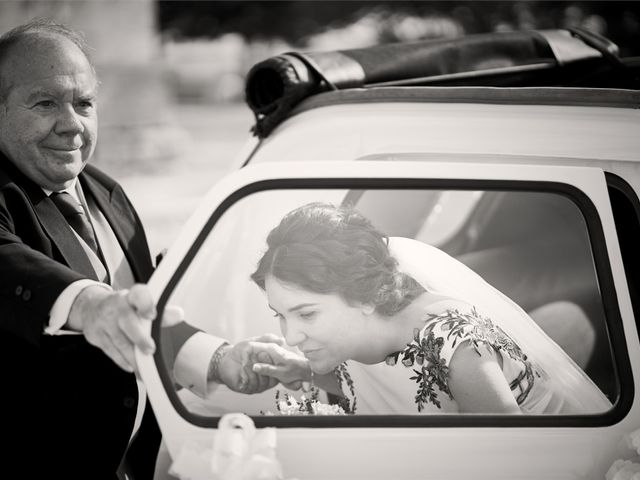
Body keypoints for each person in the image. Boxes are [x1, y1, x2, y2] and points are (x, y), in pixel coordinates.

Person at [0, 19, 284, 480]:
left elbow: (136, 315)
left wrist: (221, 360)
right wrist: (90, 304)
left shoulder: (106, 192)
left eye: (84, 103)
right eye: (46, 103)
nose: (71, 124)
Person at [249, 202, 613, 415]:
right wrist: (301, 371)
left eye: (306, 314)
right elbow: (372, 379)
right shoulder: (352, 334)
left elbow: (509, 459)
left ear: (362, 295)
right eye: (280, 315)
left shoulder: (455, 345)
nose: (291, 336)